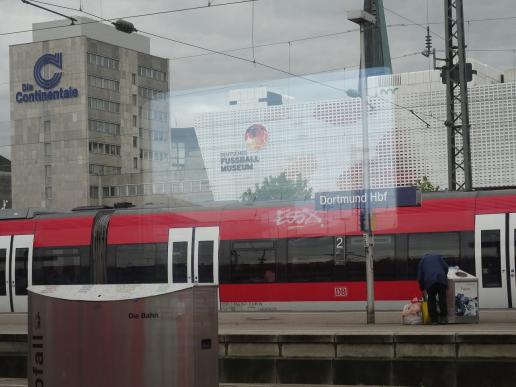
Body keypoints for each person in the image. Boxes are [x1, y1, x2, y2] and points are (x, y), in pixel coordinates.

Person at [417, 253, 449, 324]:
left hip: (430, 281)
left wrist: (422, 288)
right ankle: (443, 318)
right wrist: (444, 274)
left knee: (431, 299)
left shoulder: (422, 261)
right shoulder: (438, 256)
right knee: (442, 299)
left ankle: (434, 320)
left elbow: (420, 277)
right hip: (441, 279)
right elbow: (446, 267)